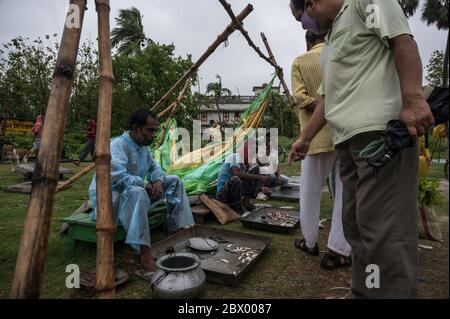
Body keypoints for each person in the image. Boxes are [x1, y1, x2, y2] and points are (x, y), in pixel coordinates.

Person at [289, 0, 434, 298]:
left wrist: (414, 99)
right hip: (348, 144)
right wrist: (304, 139)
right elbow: (328, 99)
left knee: (383, 233)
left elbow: (401, 40)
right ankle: (364, 290)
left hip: (380, 139)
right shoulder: (330, 42)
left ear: (312, 3)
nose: (305, 25)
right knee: (357, 228)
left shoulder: (365, 3)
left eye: (303, 17)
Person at [88, 108, 194, 280]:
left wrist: (158, 181)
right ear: (136, 128)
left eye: (155, 130)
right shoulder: (117, 146)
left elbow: (154, 168)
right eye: (150, 130)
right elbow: (116, 177)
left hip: (137, 196)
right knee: (137, 191)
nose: (153, 135)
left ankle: (174, 234)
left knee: (174, 180)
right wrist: (144, 184)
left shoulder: (143, 147)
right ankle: (144, 256)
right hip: (110, 201)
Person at [291, 29, 351, 269]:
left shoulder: (300, 61)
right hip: (344, 134)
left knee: (309, 192)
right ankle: (339, 250)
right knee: (345, 194)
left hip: (313, 137)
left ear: (308, 41)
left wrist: (322, 107)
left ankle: (310, 242)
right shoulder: (338, 55)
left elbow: (299, 98)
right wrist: (333, 105)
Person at [216, 141, 272, 214]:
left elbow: (246, 182)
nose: (253, 154)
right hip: (223, 196)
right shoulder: (235, 157)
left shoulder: (244, 164)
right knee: (235, 179)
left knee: (256, 170)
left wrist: (260, 188)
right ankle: (238, 208)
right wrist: (259, 177)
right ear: (246, 150)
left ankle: (246, 202)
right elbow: (236, 174)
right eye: (251, 151)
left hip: (235, 193)